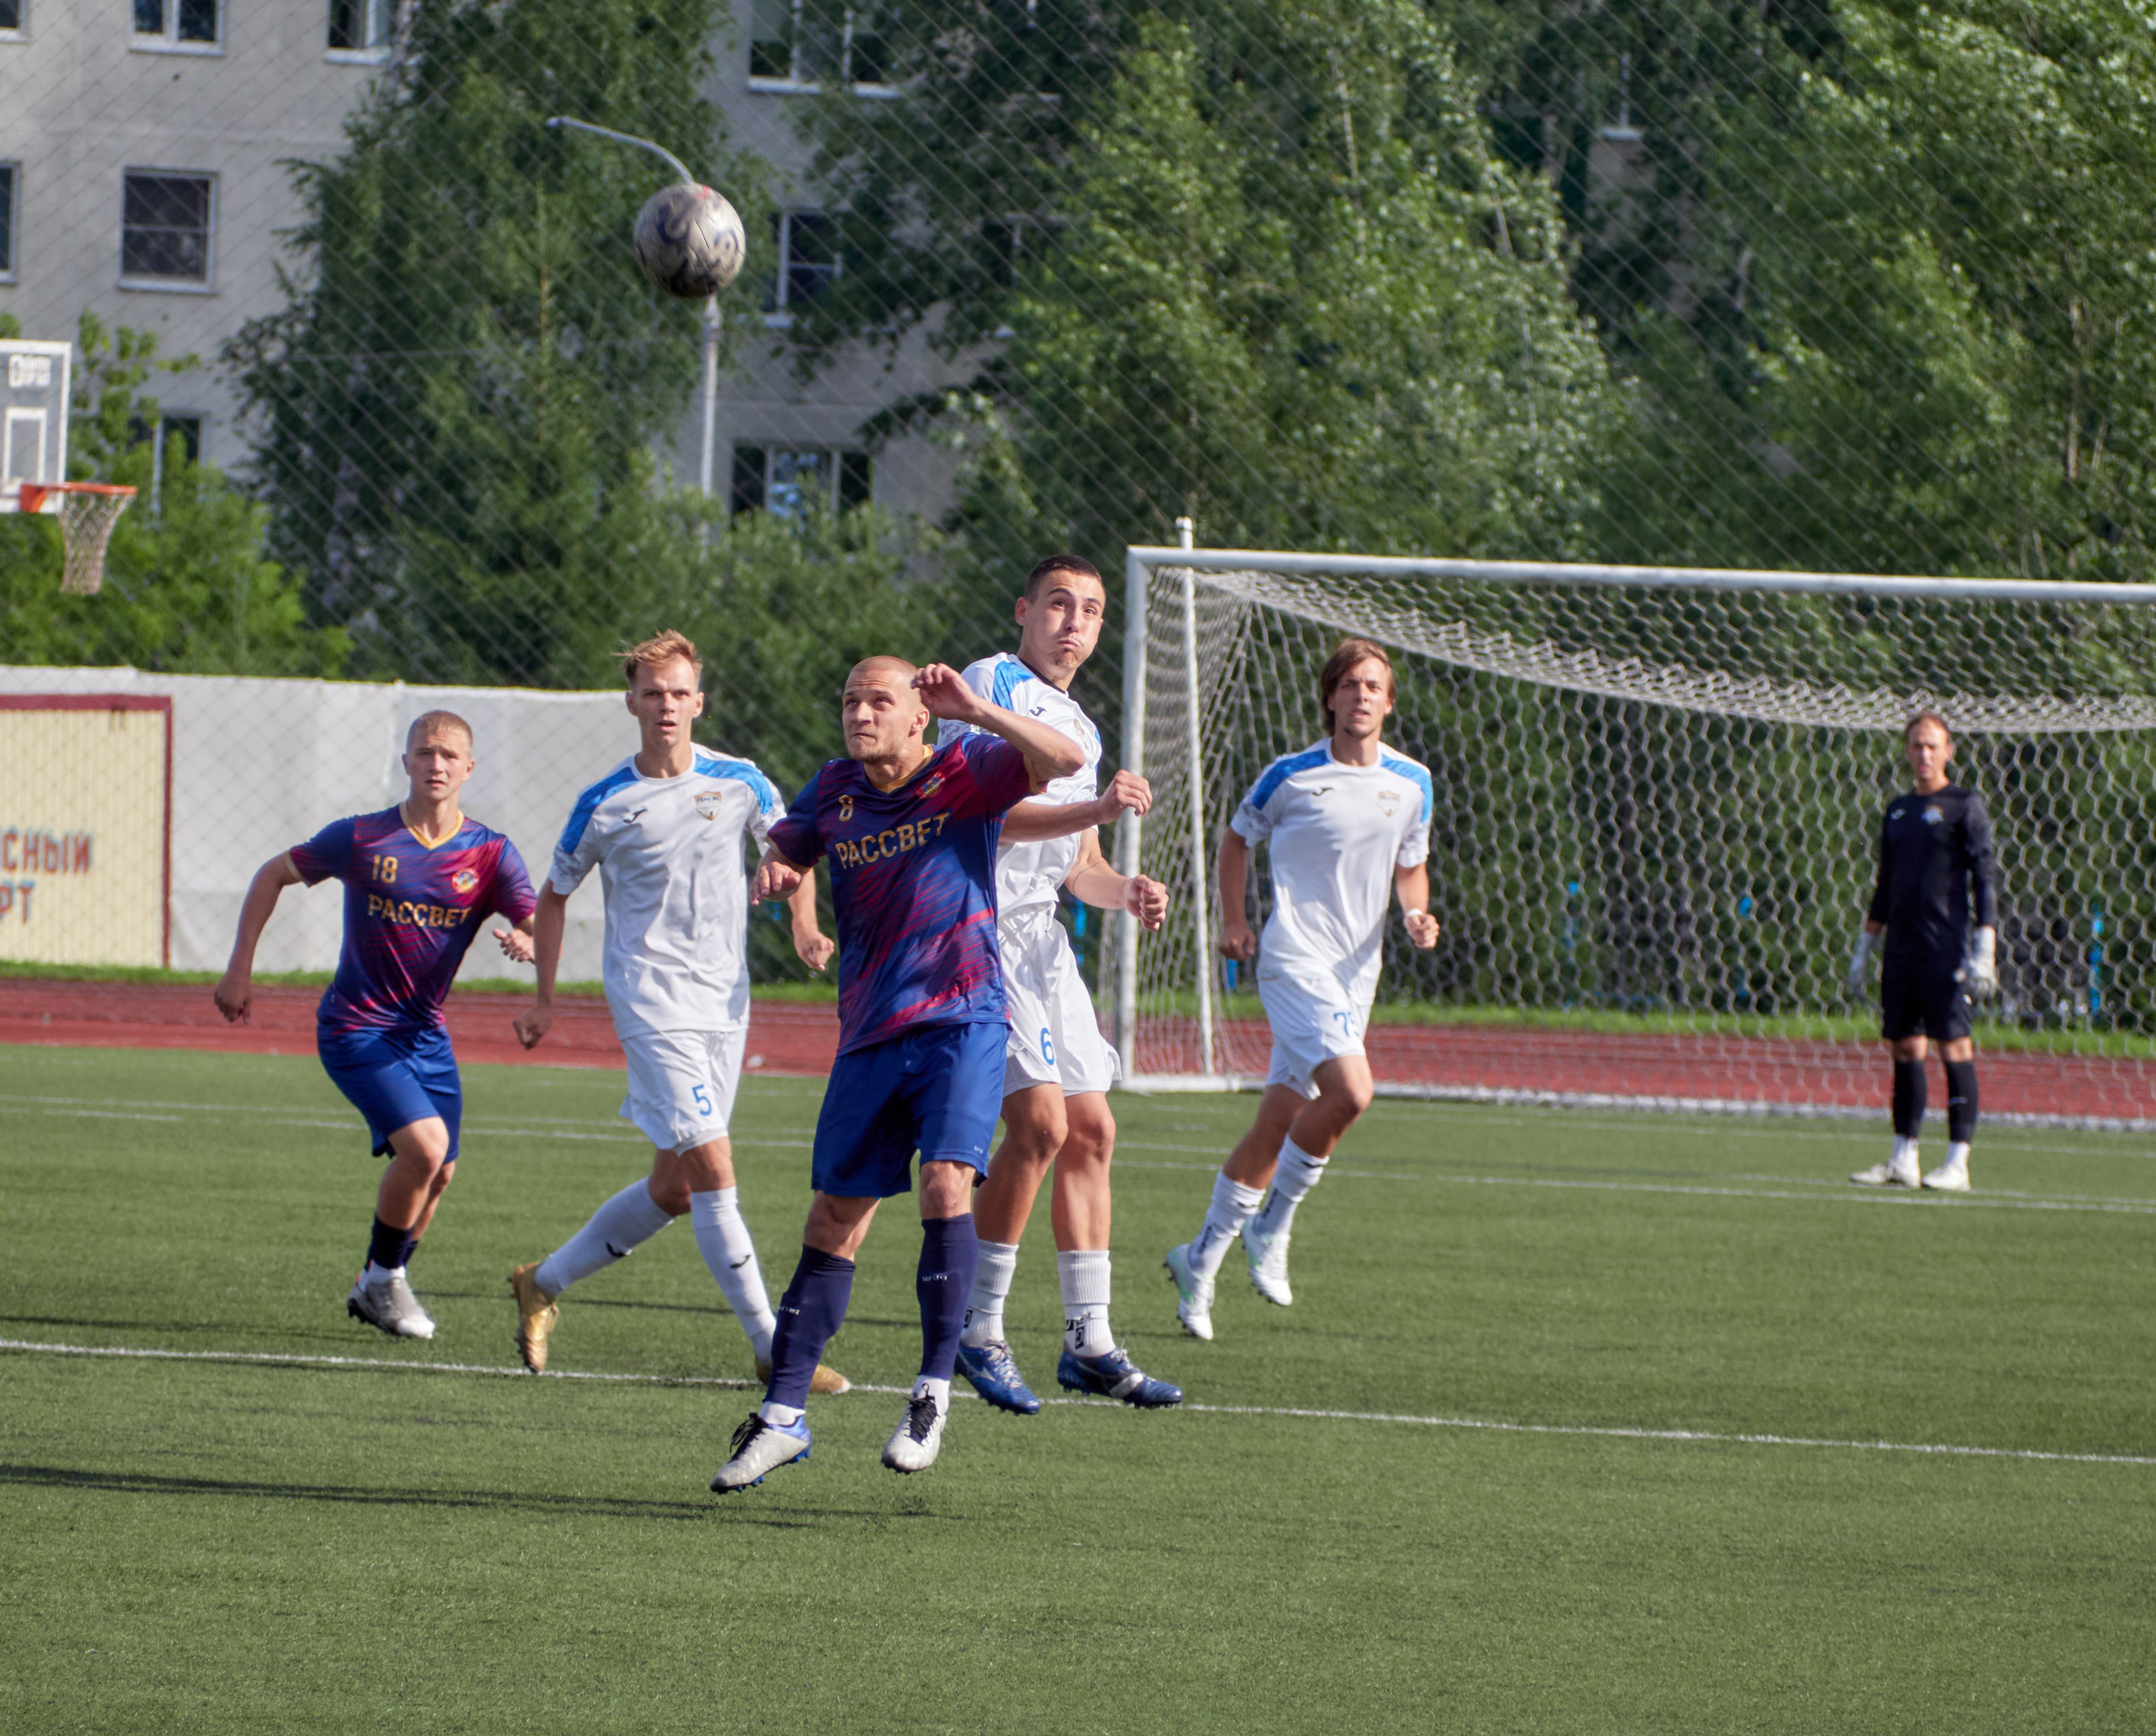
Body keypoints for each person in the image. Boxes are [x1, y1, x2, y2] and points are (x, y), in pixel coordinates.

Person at [710, 655, 1086, 1491]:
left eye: (878, 700)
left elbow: (1063, 762)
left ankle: (930, 1393)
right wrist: (779, 870)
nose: (859, 713)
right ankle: (780, 1417)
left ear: (920, 714)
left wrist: (979, 710)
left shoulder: (966, 767)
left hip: (964, 1017)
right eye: (848, 700)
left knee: (946, 1186)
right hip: (870, 1032)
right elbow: (792, 844)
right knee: (832, 1216)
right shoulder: (836, 788)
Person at [507, 631, 847, 1394]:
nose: (666, 706)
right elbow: (554, 895)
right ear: (632, 702)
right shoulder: (603, 802)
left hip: (724, 1001)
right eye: (652, 694)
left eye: (679, 693)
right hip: (648, 999)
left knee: (675, 1187)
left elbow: (793, 848)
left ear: (700, 701)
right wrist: (546, 1000)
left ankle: (542, 1282)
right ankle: (772, 1348)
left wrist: (802, 922)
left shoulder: (740, 781)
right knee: (716, 1162)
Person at [940, 556, 1180, 1415]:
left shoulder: (1080, 722)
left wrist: (1125, 891)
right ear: (1023, 611)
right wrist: (1099, 810)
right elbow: (983, 813)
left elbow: (1078, 866)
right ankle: (979, 1327)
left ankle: (1089, 1341)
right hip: (979, 929)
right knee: (1039, 1124)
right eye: (1057, 605)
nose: (1073, 623)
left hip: (1043, 939)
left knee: (1091, 1129)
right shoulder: (986, 685)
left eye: (1090, 611)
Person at [214, 711, 537, 1340]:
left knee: (441, 1170)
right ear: (407, 762)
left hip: (424, 1032)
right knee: (426, 1148)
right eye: (425, 752)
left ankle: (377, 1282)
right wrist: (238, 969)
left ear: (469, 768)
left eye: (449, 755)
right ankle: (385, 1278)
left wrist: (526, 938)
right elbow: (272, 874)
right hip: (355, 1026)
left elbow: (534, 918)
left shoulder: (491, 852)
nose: (437, 764)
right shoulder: (362, 837)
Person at [1164, 638, 1440, 1342]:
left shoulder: (1413, 782)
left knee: (1276, 1123)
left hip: (1358, 971)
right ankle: (1273, 1226)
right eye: (1350, 684)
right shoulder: (1289, 775)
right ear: (1330, 697)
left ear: (1390, 700)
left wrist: (1414, 911)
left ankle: (1198, 1260)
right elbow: (1234, 840)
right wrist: (1234, 920)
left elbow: (1412, 865)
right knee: (1353, 1092)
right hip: (1292, 958)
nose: (1362, 696)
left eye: (1374, 685)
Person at [1846, 711, 1999, 1192]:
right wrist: (1865, 946)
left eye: (1933, 745)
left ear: (1949, 750)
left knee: (1954, 1046)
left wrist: (1985, 946)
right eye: (1916, 745)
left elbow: (1985, 877)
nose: (1924, 754)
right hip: (1902, 950)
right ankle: (1903, 1159)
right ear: (1907, 750)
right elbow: (1885, 884)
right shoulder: (1897, 810)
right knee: (1904, 1047)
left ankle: (1958, 1163)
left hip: (1947, 951)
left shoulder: (1964, 805)